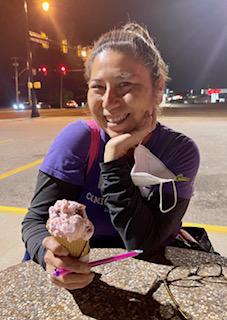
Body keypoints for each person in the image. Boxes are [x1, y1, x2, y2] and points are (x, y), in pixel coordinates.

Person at [22, 22, 200, 290]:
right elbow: (34, 222)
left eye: (125, 84)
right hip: (72, 278)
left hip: (138, 275)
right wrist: (48, 255)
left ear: (158, 88)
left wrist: (114, 158)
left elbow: (144, 243)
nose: (107, 102)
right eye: (98, 87)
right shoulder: (79, 141)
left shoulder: (177, 152)